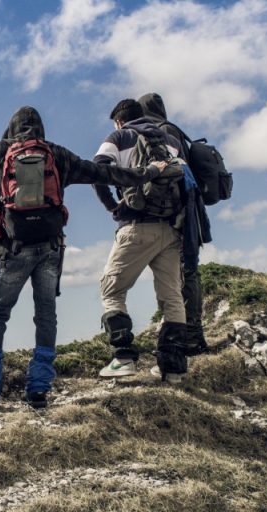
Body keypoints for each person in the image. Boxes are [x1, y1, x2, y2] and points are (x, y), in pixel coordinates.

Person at [0, 105, 166, 409]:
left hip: (13, 248)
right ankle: (38, 390)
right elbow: (104, 172)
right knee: (46, 315)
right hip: (49, 248)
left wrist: (2, 150)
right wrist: (149, 173)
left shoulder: (0, 150)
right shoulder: (57, 154)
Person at [92, 98, 189, 383]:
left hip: (136, 226)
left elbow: (98, 170)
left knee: (111, 290)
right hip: (171, 229)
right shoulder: (170, 140)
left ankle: (123, 358)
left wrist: (112, 206)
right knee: (172, 295)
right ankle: (173, 369)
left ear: (120, 121)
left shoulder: (119, 136)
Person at [138, 93, 213, 356]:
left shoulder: (160, 132)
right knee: (186, 271)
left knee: (184, 272)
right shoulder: (174, 130)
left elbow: (172, 176)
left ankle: (189, 337)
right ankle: (191, 334)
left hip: (179, 215)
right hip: (190, 210)